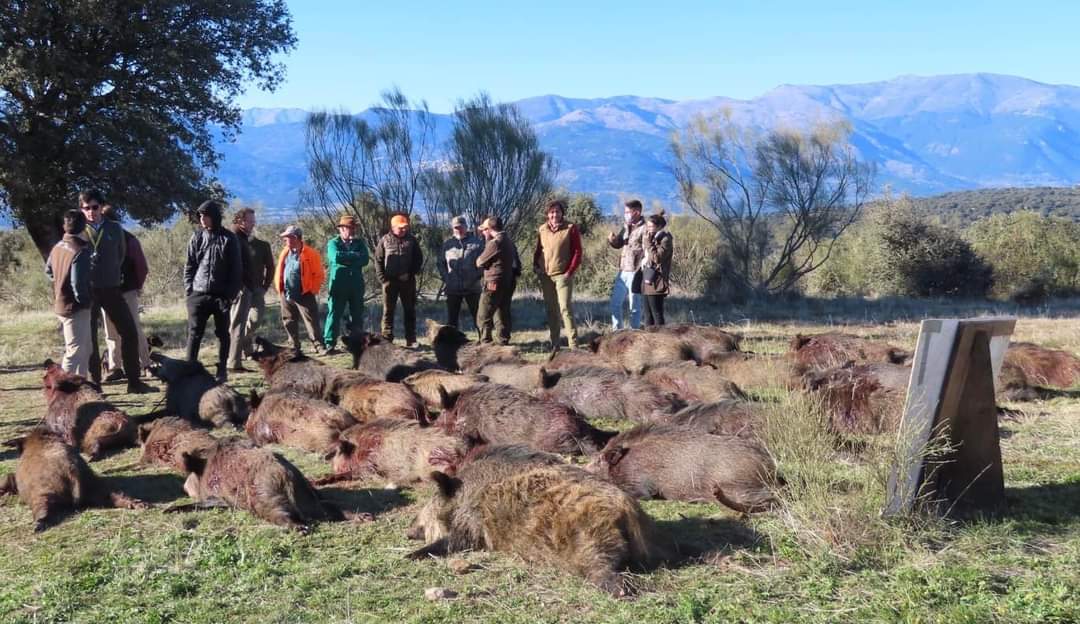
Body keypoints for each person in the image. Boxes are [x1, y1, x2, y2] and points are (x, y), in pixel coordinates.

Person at [79, 189, 156, 393]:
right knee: (91, 339)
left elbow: (121, 255)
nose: (91, 212)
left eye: (95, 207)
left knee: (129, 332)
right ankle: (95, 385)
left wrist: (111, 272)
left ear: (101, 207)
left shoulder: (114, 228)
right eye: (87, 208)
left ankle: (134, 382)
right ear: (81, 209)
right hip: (89, 291)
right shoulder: (78, 230)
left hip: (112, 288)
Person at [184, 200, 243, 382]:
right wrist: (189, 292)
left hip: (221, 296)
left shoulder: (229, 238)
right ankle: (190, 369)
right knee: (194, 333)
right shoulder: (196, 237)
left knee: (222, 334)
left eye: (205, 215)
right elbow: (189, 266)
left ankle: (222, 369)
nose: (202, 219)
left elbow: (236, 270)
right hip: (198, 294)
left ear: (214, 216)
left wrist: (230, 296)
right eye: (200, 216)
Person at [100, 204, 151, 381]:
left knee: (132, 328)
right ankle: (116, 367)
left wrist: (136, 286)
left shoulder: (129, 240)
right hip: (108, 291)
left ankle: (145, 363)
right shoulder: (100, 241)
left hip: (126, 290)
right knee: (111, 331)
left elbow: (142, 267)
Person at [46, 210, 93, 377]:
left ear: (64, 226)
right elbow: (78, 284)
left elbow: (49, 271)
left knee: (85, 348)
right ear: (83, 227)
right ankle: (62, 390)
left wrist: (60, 283)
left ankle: (81, 386)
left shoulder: (58, 246)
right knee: (74, 351)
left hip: (61, 303)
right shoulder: (80, 251)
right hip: (74, 307)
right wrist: (86, 301)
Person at [533, 199, 582, 351]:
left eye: (557, 212)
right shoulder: (542, 229)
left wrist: (570, 271)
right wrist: (536, 266)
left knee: (565, 308)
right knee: (551, 309)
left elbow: (577, 251)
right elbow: (538, 249)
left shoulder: (570, 228)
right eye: (552, 212)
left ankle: (574, 346)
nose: (555, 215)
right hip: (546, 275)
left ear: (562, 213)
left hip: (563, 275)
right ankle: (555, 344)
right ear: (547, 214)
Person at [274, 224, 325, 354]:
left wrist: (312, 290)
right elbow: (280, 270)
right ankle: (294, 346)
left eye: (287, 237)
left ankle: (319, 346)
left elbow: (318, 274)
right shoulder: (285, 252)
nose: (285, 240)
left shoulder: (310, 253)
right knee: (288, 320)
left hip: (304, 293)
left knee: (311, 321)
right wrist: (279, 287)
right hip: (286, 292)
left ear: (295, 238)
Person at [374, 214, 423, 347]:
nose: (403, 230)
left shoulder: (412, 240)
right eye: (400, 228)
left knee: (409, 310)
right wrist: (383, 279)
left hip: (407, 281)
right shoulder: (384, 240)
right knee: (388, 311)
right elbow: (378, 260)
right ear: (393, 227)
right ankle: (387, 339)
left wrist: (411, 273)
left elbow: (418, 259)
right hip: (390, 282)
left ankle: (411, 339)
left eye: (405, 227)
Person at [323, 214, 369, 354]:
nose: (350, 231)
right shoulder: (333, 243)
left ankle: (357, 343)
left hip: (356, 284)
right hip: (338, 285)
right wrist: (354, 256)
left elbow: (365, 259)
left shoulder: (359, 243)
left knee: (357, 314)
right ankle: (330, 343)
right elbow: (335, 257)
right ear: (341, 229)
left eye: (352, 228)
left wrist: (347, 258)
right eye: (347, 228)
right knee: (334, 313)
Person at [475, 216, 518, 345]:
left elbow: (479, 262)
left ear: (489, 229)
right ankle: (503, 341)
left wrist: (487, 244)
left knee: (484, 314)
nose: (483, 233)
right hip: (508, 282)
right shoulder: (509, 241)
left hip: (493, 283)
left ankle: (486, 342)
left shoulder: (495, 243)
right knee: (502, 312)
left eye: (484, 230)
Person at [438, 215, 484, 334]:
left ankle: (484, 341)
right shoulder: (448, 244)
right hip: (452, 288)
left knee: (478, 317)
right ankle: (453, 344)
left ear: (466, 226)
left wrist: (477, 276)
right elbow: (440, 263)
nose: (458, 229)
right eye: (455, 227)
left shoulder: (477, 243)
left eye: (460, 226)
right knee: (452, 320)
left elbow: (484, 263)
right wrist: (446, 278)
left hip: (472, 287)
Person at [607, 199, 646, 330]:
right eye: (625, 212)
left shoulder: (644, 229)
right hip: (623, 269)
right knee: (615, 303)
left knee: (634, 306)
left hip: (636, 271)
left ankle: (634, 333)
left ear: (637, 212)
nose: (626, 214)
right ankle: (617, 331)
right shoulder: (626, 227)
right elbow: (619, 244)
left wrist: (642, 269)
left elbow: (648, 250)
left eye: (628, 212)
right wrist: (612, 240)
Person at [227, 207, 258, 372]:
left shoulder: (240, 237)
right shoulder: (236, 238)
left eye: (253, 221)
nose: (253, 224)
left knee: (237, 323)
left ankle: (234, 359)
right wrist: (242, 285)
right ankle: (234, 363)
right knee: (238, 325)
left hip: (242, 286)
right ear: (240, 221)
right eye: (250, 221)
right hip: (241, 287)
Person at [242, 221, 276, 359]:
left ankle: (238, 341)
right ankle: (247, 351)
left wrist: (265, 287)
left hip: (256, 289)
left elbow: (270, 267)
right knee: (238, 321)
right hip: (239, 290)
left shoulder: (262, 246)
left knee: (255, 319)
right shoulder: (235, 244)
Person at [642, 212, 674, 327]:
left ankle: (661, 338)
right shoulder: (652, 237)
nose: (648, 229)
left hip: (657, 280)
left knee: (657, 314)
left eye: (651, 226)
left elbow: (657, 258)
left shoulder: (665, 239)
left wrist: (648, 244)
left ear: (659, 226)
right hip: (648, 279)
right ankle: (649, 340)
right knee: (647, 315)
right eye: (648, 226)